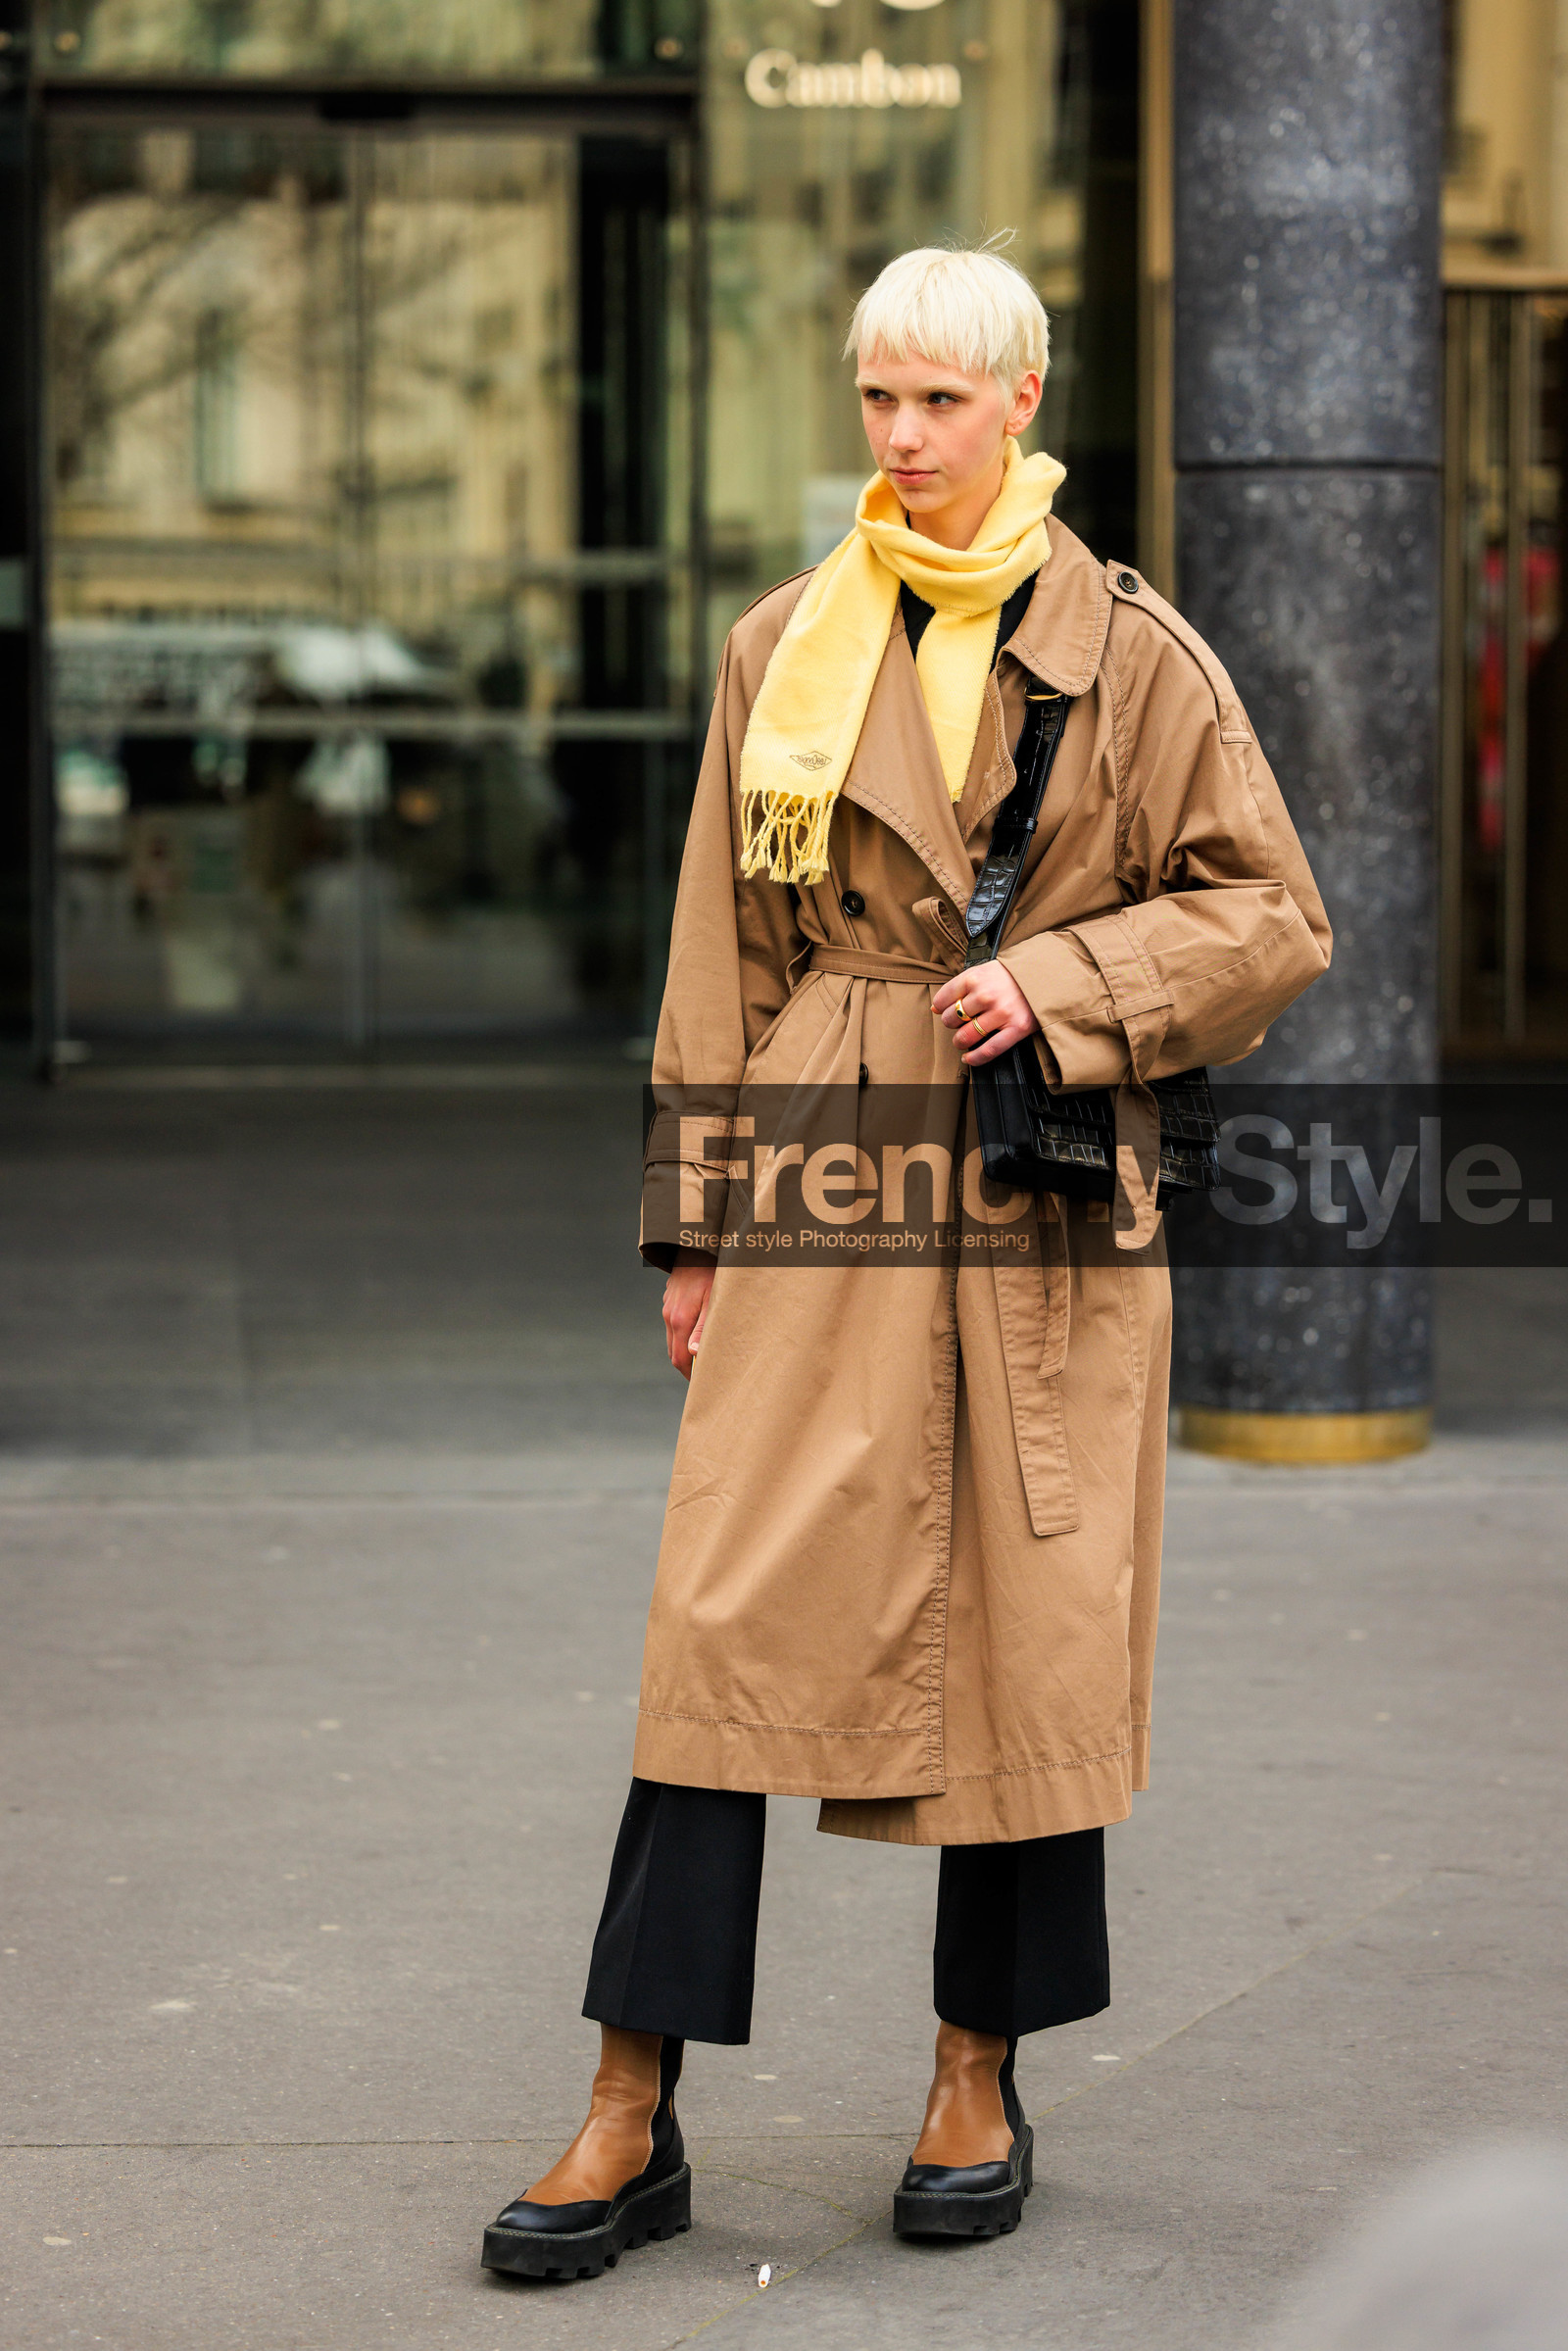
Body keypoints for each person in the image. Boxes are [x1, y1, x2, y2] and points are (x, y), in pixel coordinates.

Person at [481, 243, 1331, 2281]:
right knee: (721, 1624)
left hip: (1034, 1192)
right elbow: (717, 951)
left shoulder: (1137, 657)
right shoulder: (783, 642)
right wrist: (691, 1223)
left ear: (1019, 404)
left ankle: (976, 2067)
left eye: (938, 401)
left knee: (1023, 1641)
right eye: (875, 398)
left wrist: (1057, 976)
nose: (900, 437)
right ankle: (627, 2101)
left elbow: (1269, 919)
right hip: (822, 1167)